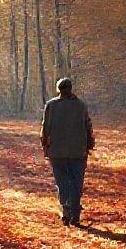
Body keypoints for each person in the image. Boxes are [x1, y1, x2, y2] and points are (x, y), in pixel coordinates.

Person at [40, 77, 95, 227]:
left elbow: (45, 129)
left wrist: (45, 147)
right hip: (78, 152)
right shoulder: (81, 105)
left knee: (62, 182)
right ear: (71, 89)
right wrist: (90, 145)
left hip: (57, 152)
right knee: (76, 183)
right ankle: (75, 214)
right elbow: (88, 127)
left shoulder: (51, 106)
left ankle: (66, 211)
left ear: (59, 90)